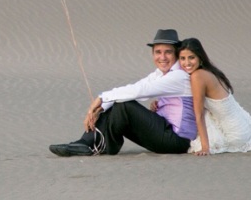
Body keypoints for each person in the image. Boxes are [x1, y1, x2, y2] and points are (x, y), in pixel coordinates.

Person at [49, 29, 194, 156]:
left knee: (124, 106)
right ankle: (86, 142)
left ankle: (95, 145)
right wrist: (101, 107)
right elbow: (136, 86)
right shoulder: (160, 73)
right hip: (165, 132)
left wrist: (101, 98)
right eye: (158, 52)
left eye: (168, 52)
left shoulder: (179, 76)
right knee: (118, 101)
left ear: (176, 53)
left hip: (177, 141)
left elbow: (141, 91)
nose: (162, 57)